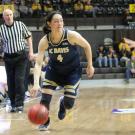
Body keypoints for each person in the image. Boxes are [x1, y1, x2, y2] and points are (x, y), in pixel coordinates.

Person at [30, 11, 94, 131]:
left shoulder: (71, 35)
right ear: (49, 24)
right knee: (45, 99)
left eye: (61, 20)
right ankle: (45, 121)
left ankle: (62, 103)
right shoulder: (45, 41)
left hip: (72, 72)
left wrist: (90, 65)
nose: (59, 23)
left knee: (69, 104)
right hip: (54, 71)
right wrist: (36, 84)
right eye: (56, 21)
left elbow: (87, 46)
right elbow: (38, 63)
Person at [0, 9, 34, 113]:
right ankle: (13, 104)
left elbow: (29, 38)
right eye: (6, 15)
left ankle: (19, 104)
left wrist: (31, 52)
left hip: (21, 57)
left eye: (10, 14)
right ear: (3, 17)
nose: (9, 17)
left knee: (19, 79)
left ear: (13, 15)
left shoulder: (20, 25)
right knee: (10, 81)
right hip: (8, 58)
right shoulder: (1, 29)